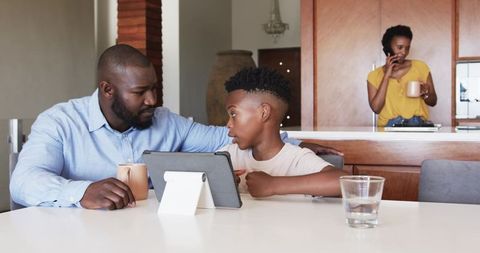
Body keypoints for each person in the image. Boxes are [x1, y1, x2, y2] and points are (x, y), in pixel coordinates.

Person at [10, 44, 341, 210]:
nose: (153, 100)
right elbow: (23, 182)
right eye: (141, 93)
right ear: (107, 89)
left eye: (155, 88)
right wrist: (81, 192)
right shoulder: (60, 122)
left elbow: (228, 134)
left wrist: (292, 142)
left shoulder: (167, 122)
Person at [219, 67, 347, 197]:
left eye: (233, 114)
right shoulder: (228, 155)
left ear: (263, 113)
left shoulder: (295, 159)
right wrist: (219, 185)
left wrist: (273, 185)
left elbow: (344, 182)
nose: (228, 124)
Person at [367, 25, 437, 127]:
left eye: (407, 48)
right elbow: (376, 108)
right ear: (388, 47)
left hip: (417, 126)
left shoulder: (421, 67)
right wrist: (387, 75)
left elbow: (433, 101)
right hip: (388, 128)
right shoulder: (374, 76)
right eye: (400, 47)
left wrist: (425, 94)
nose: (404, 52)